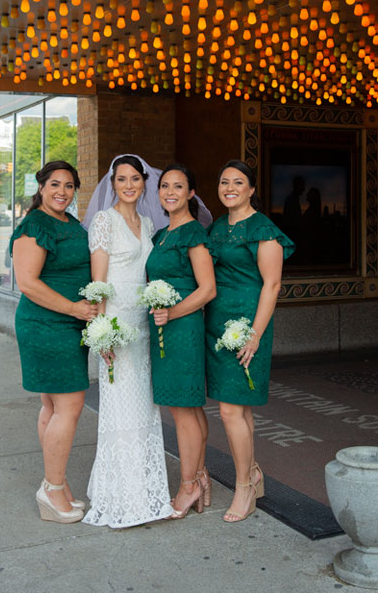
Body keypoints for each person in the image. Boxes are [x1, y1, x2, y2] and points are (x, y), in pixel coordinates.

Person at [81, 155, 171, 528]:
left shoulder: (149, 222)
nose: (129, 185)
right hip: (116, 325)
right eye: (122, 179)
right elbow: (99, 282)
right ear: (112, 184)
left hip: (143, 326)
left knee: (144, 408)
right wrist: (102, 332)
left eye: (136, 179)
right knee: (121, 410)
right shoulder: (104, 221)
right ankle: (120, 498)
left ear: (144, 183)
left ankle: (147, 493)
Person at [10, 160, 98, 524]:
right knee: (71, 406)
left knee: (52, 406)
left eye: (69, 186)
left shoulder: (70, 223)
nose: (62, 191)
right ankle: (52, 487)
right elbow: (28, 283)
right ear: (41, 187)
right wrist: (74, 309)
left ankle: (57, 487)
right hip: (47, 323)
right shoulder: (35, 225)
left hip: (69, 323)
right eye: (55, 184)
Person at [206, 160, 293, 523]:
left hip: (247, 325)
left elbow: (271, 285)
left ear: (251, 189)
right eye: (224, 181)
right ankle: (253, 472)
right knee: (238, 409)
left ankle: (243, 485)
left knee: (230, 410)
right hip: (216, 323)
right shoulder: (216, 226)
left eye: (238, 182)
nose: (229, 187)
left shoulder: (263, 229)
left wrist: (255, 335)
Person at [146, 164, 216, 518]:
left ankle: (188, 485)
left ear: (191, 193)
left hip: (183, 328)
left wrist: (172, 313)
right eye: (164, 186)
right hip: (164, 328)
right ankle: (200, 477)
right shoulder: (161, 235)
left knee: (182, 408)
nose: (170, 192)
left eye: (178, 186)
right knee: (189, 407)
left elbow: (207, 288)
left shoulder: (193, 233)